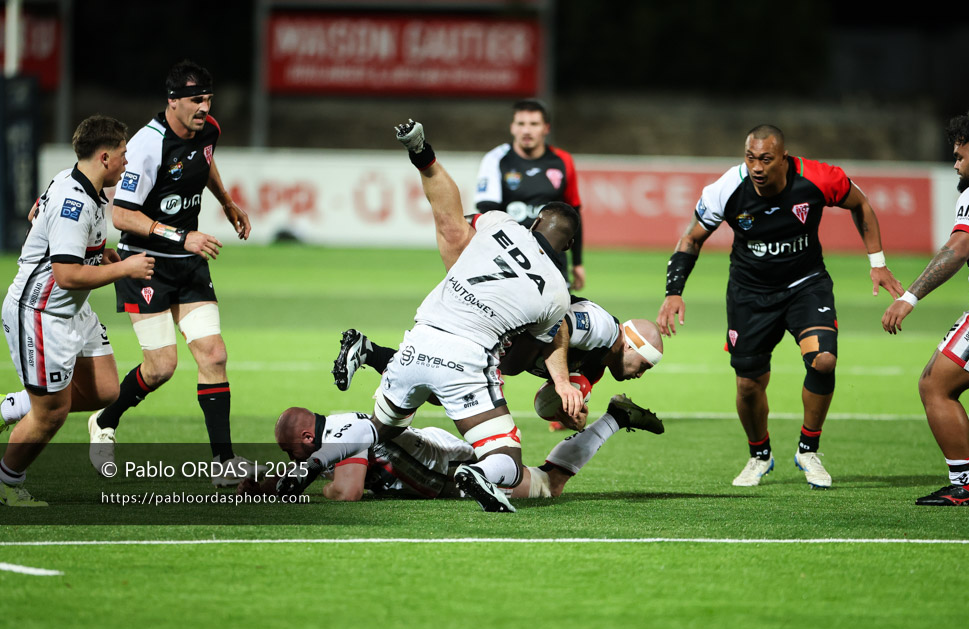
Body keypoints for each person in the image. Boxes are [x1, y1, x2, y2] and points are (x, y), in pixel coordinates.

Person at [277, 119, 581, 513]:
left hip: (418, 339)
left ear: (536, 221)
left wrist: (426, 163)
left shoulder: (499, 223)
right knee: (505, 454)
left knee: (378, 428)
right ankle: (483, 474)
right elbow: (521, 358)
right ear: (569, 246)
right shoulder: (557, 295)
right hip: (468, 357)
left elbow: (453, 223)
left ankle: (314, 463)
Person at [657, 124, 904, 489]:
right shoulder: (726, 189)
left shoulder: (820, 178)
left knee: (824, 359)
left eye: (766, 159)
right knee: (748, 384)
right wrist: (673, 291)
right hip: (749, 294)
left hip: (806, 285)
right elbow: (691, 238)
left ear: (783, 159)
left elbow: (860, 204)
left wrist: (878, 262)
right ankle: (759, 455)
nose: (757, 167)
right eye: (751, 157)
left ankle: (808, 449)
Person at [85, 60, 255, 488]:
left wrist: (227, 202)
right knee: (161, 367)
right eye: (197, 100)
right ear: (173, 101)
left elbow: (205, 162)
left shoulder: (208, 129)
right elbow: (121, 214)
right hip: (144, 265)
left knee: (214, 355)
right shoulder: (146, 146)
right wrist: (181, 237)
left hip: (187, 262)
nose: (204, 107)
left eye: (208, 98)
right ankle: (105, 420)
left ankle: (223, 463)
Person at [0, 115, 156, 506]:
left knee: (106, 390)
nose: (126, 162)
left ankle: (16, 405)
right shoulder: (75, 202)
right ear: (104, 157)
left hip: (72, 311)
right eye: (122, 155)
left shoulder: (85, 185)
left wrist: (101, 254)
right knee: (52, 414)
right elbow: (67, 275)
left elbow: (60, 239)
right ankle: (7, 481)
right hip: (41, 313)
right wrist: (126, 268)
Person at [882, 110, 969, 506]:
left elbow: (958, 247)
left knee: (935, 384)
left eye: (960, 156)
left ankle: (966, 486)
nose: (955, 164)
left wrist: (908, 296)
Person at [247, 394, 663, 502]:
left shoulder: (341, 432)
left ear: (306, 438)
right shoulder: (332, 435)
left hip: (455, 468)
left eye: (290, 452)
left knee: (547, 487)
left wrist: (319, 487)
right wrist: (255, 483)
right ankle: (616, 418)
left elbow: (346, 491)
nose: (291, 460)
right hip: (436, 457)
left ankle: (615, 418)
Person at [332, 301, 663, 432]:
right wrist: (563, 384)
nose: (640, 374)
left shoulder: (595, 370)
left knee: (436, 392)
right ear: (631, 345)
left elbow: (546, 402)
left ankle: (370, 351)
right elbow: (560, 322)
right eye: (644, 365)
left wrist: (568, 415)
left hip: (499, 348)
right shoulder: (605, 328)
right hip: (492, 328)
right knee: (439, 385)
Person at [474, 99, 585, 290]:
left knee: (557, 318)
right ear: (512, 128)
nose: (526, 130)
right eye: (521, 124)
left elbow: (573, 213)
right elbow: (488, 213)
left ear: (546, 128)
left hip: (553, 258)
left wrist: (577, 263)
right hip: (508, 257)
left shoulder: (563, 161)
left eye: (534, 124)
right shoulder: (495, 159)